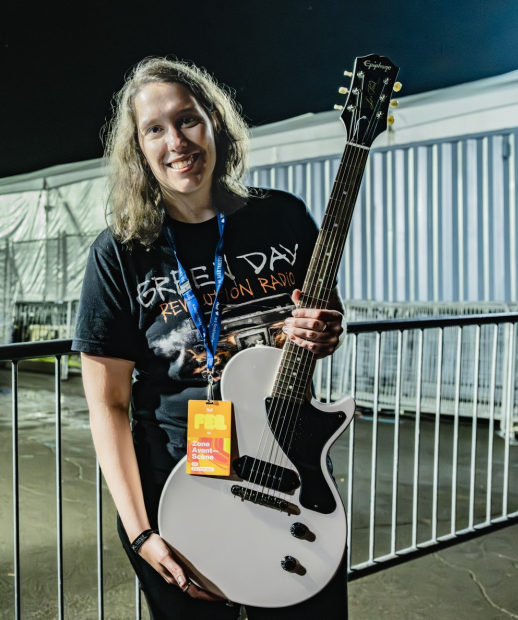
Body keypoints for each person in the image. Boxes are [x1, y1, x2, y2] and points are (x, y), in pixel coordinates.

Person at [72, 57, 347, 620]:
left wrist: (324, 330)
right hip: (182, 492)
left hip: (292, 478)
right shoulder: (120, 253)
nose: (177, 141)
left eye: (188, 120)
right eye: (155, 129)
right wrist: (142, 531)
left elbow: (325, 313)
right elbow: (109, 405)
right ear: (138, 149)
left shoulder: (284, 217)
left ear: (216, 123)